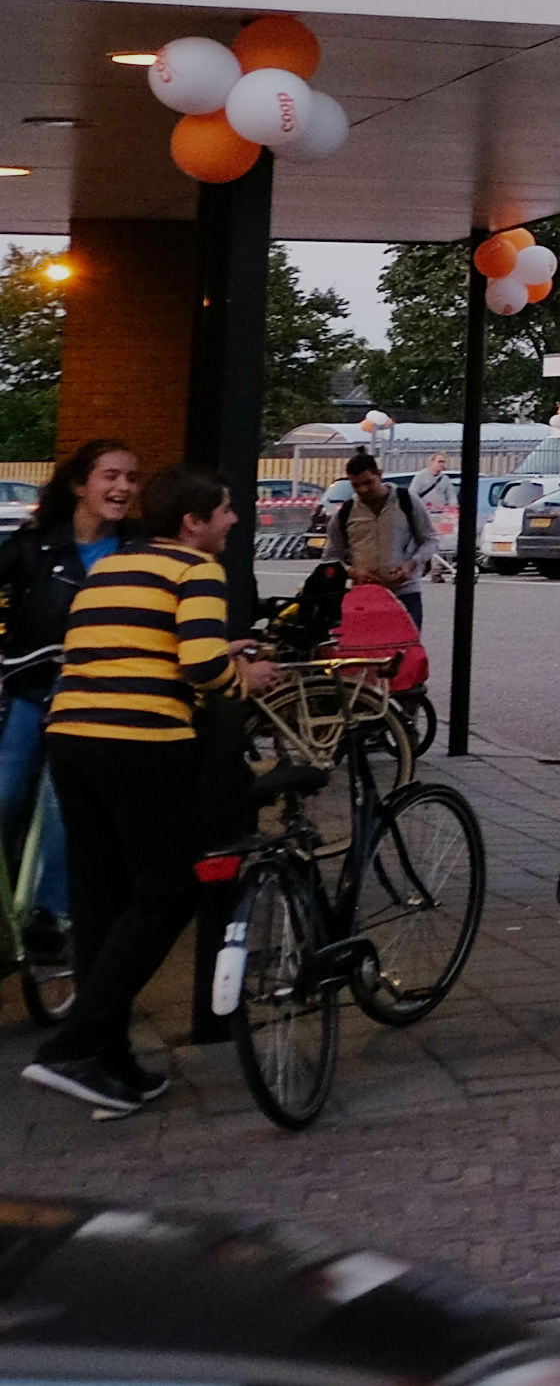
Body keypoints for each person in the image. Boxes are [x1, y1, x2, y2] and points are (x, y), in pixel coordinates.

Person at [24, 463, 280, 1113]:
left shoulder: (114, 566)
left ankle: (107, 1061)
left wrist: (220, 655)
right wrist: (243, 676)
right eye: (225, 509)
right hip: (140, 742)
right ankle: (73, 1046)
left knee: (102, 900)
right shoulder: (197, 569)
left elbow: (133, 644)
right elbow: (200, 666)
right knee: (172, 886)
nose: (233, 519)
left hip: (71, 738)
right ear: (193, 522)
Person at [0, 443, 135, 976]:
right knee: (5, 793)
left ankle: (49, 916)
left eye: (131, 478)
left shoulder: (138, 549)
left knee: (62, 805)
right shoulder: (34, 546)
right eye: (111, 476)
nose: (123, 487)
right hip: (31, 689)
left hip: (94, 700)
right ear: (80, 485)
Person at [329, 451, 436, 627]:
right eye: (355, 485)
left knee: (406, 643)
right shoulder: (346, 512)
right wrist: (352, 572)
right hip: (365, 595)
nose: (363, 490)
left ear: (379, 474)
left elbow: (430, 539)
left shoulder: (406, 501)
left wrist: (411, 565)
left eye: (368, 482)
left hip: (405, 593)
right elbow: (331, 555)